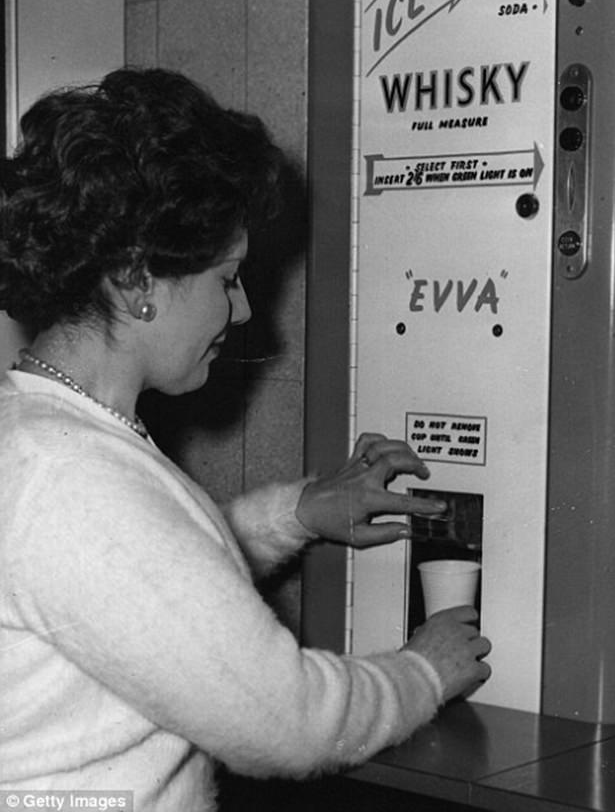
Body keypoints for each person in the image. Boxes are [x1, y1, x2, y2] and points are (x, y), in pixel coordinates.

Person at [0, 68, 491, 811]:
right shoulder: (71, 477)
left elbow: (139, 596)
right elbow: (285, 722)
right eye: (226, 277)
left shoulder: (41, 432)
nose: (243, 308)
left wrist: (297, 514)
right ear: (139, 280)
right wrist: (423, 672)